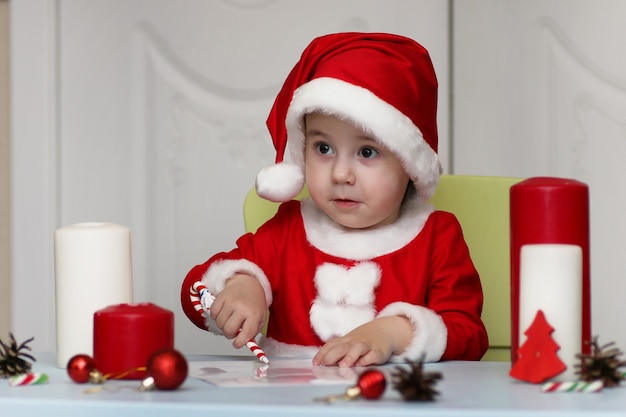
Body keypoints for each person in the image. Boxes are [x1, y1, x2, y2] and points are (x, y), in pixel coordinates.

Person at [181, 32, 488, 367]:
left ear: (409, 163)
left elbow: (468, 333)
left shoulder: (436, 236)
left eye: (367, 151)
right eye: (323, 148)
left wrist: (394, 332)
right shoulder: (288, 227)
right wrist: (240, 287)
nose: (341, 174)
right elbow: (195, 289)